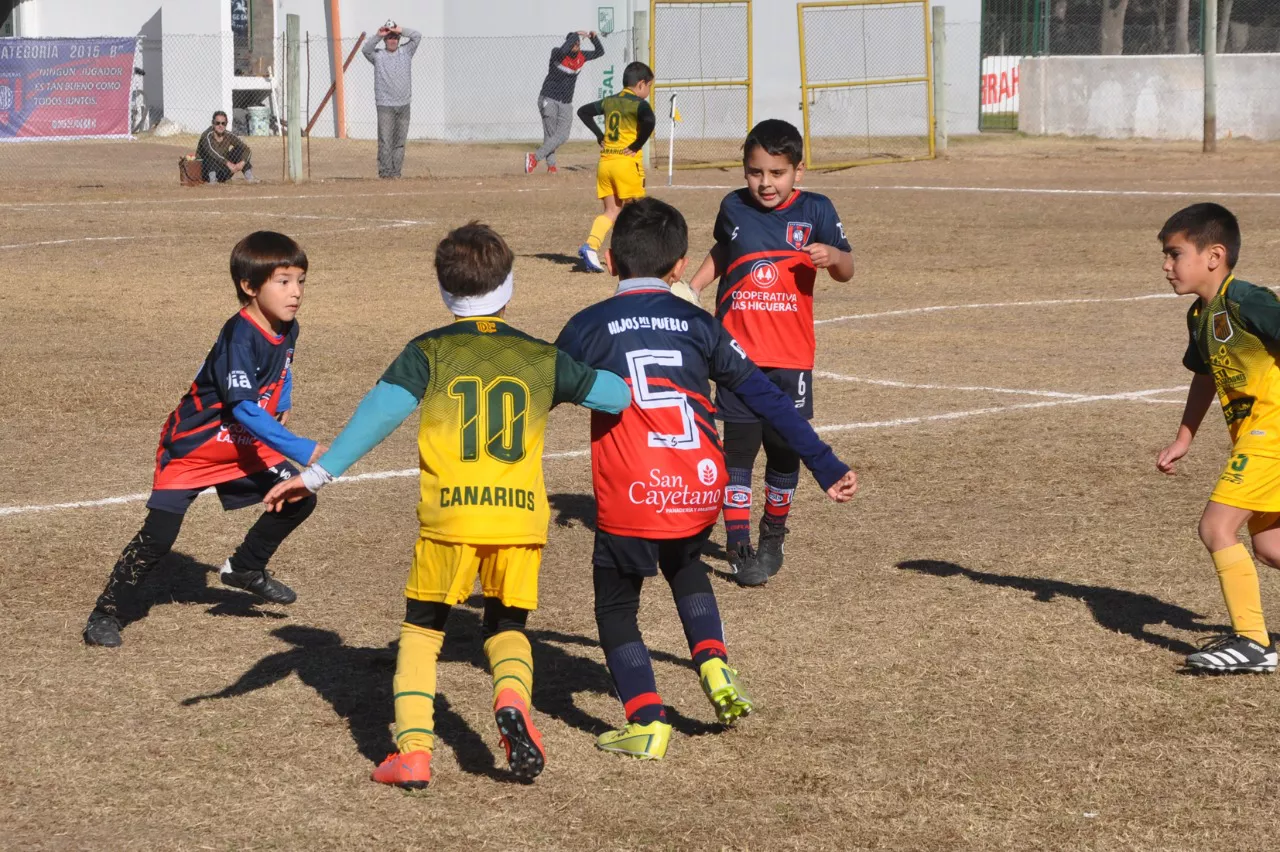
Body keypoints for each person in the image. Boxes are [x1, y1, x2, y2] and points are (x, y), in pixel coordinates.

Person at [263, 223, 631, 788]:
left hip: (450, 518)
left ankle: (412, 752)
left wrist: (316, 474)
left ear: (443, 290)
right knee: (507, 624)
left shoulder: (428, 352)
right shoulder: (540, 358)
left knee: (422, 629)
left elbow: (378, 415)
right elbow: (615, 395)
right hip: (519, 518)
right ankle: (511, 700)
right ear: (509, 286)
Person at [555, 198, 858, 759]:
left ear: (612, 262)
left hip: (633, 492)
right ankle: (714, 664)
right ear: (679, 267)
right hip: (698, 488)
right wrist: (824, 462)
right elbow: (767, 397)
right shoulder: (701, 324)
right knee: (685, 564)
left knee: (617, 606)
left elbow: (536, 389)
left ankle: (645, 719)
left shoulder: (587, 326)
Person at [81, 232, 324, 648]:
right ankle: (107, 611)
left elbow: (284, 367)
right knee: (158, 536)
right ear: (249, 287)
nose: (296, 292)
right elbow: (244, 407)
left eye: (301, 280)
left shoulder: (287, 325)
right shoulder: (238, 336)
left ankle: (245, 567)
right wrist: (299, 446)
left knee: (299, 496)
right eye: (283, 281)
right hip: (196, 446)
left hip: (246, 444)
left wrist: (283, 400)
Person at [688, 118, 854, 586]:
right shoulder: (733, 207)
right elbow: (725, 251)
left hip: (791, 355)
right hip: (737, 353)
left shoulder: (817, 210)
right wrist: (693, 286)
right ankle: (738, 542)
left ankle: (772, 535)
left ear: (797, 172)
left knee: (784, 449)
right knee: (737, 451)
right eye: (755, 172)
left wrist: (833, 257)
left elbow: (847, 268)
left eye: (776, 173)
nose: (765, 183)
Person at [1156, 203, 1280, 673]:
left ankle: (1253, 644)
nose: (1166, 267)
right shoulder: (1200, 315)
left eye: (1174, 254)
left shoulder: (1247, 300)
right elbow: (1205, 376)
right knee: (1270, 546)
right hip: (1252, 435)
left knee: (1216, 527)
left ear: (1214, 255)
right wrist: (1184, 437)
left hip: (1273, 433)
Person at [575, 61, 655, 274]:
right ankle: (636, 255)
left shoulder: (610, 101)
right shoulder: (639, 104)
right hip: (626, 165)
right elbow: (650, 121)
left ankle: (590, 247)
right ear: (640, 84)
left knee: (611, 211)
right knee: (638, 212)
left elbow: (583, 112)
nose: (648, 91)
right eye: (649, 87)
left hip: (606, 163)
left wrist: (600, 135)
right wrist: (637, 145)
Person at [525, 30, 604, 175]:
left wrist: (594, 38)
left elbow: (600, 52)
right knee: (550, 134)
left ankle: (534, 158)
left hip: (566, 102)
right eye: (573, 43)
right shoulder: (557, 53)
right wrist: (575, 33)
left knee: (562, 136)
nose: (576, 45)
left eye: (578, 43)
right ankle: (552, 167)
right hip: (549, 98)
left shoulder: (582, 57)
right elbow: (564, 48)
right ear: (567, 44)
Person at [362, 19, 421, 179]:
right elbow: (366, 50)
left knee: (399, 142)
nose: (392, 40)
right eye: (389, 37)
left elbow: (416, 36)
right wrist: (378, 35)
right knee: (385, 142)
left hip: (404, 105)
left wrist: (399, 29)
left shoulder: (406, 52)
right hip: (385, 106)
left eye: (395, 37)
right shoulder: (378, 56)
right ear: (385, 40)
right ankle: (385, 173)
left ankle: (396, 173)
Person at [197, 110, 256, 183]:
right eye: (217, 123)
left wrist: (242, 162)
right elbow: (212, 152)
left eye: (223, 123)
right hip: (205, 172)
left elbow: (247, 149)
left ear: (226, 124)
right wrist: (228, 163)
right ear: (213, 123)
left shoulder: (228, 135)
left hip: (223, 171)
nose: (220, 125)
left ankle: (250, 178)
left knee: (240, 149)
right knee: (210, 156)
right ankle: (213, 181)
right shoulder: (206, 136)